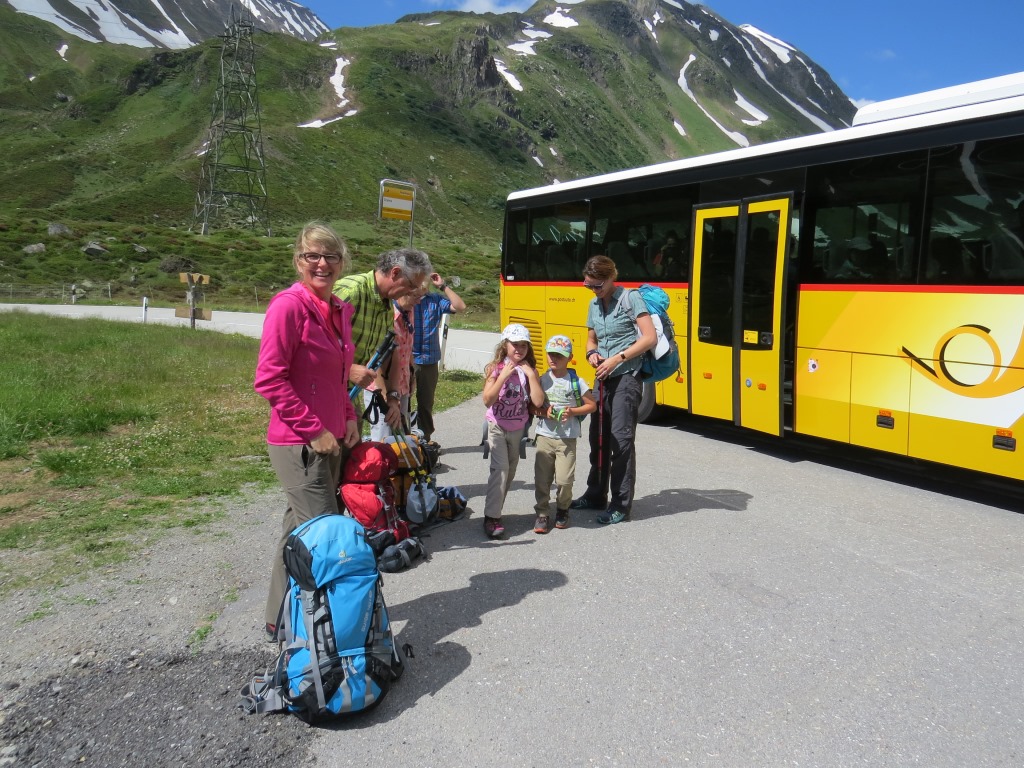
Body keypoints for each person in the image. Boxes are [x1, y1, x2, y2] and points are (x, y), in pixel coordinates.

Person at [254, 222, 361, 641]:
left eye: (330, 256)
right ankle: (323, 630)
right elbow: (269, 379)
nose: (322, 263)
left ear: (341, 263)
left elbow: (336, 377)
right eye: (312, 256)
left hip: (330, 439)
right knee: (324, 539)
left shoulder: (338, 310)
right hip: (300, 443)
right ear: (299, 261)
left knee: (296, 531)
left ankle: (280, 618)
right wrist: (314, 430)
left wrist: (349, 414)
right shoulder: (288, 306)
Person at [571, 255, 657, 524]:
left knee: (620, 441)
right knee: (597, 438)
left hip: (626, 377)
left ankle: (620, 504)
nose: (593, 290)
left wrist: (616, 359)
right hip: (602, 378)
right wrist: (592, 354)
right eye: (588, 286)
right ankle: (596, 494)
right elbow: (590, 340)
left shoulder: (631, 299)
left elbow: (649, 337)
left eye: (597, 285)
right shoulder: (593, 305)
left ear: (611, 278)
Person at [333, 247, 432, 432]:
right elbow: (311, 347)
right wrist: (348, 369)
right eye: (411, 286)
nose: (411, 292)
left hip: (346, 397)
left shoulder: (385, 306)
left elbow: (388, 354)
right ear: (395, 273)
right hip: (322, 394)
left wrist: (393, 397)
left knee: (350, 455)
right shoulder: (351, 292)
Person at [481, 323, 546, 539]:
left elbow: (537, 400)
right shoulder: (496, 368)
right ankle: (491, 517)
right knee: (500, 469)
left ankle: (495, 510)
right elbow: (487, 400)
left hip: (518, 428)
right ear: (505, 345)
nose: (519, 349)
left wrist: (532, 376)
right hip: (497, 426)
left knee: (510, 471)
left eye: (523, 345)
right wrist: (502, 376)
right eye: (514, 344)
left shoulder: (529, 370)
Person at [532, 334, 597, 534]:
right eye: (550, 354)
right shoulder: (542, 380)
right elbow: (532, 408)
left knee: (564, 479)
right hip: (544, 435)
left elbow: (592, 405)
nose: (553, 359)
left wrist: (572, 412)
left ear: (569, 357)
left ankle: (562, 509)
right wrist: (545, 412)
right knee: (542, 479)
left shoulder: (576, 381)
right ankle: (542, 512)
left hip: (567, 438)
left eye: (559, 356)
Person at [367, 281, 428, 442]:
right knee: (384, 437)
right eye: (416, 296)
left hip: (402, 384)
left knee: (401, 436)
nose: (419, 300)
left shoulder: (409, 311)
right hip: (382, 389)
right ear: (403, 292)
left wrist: (411, 376)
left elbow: (408, 348)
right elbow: (376, 359)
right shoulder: (389, 316)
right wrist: (387, 397)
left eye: (422, 296)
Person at [413, 272, 466, 441]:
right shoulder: (404, 298)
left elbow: (460, 306)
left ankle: (425, 439)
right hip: (407, 360)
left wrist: (443, 286)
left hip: (429, 361)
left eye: (424, 279)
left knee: (426, 404)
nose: (422, 284)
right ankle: (403, 443)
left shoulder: (435, 300)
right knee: (401, 404)